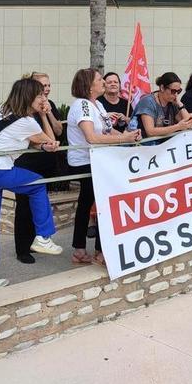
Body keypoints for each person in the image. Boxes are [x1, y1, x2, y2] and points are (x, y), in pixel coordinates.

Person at [0, 78, 64, 290]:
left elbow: (31, 143)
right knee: (38, 184)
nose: (44, 98)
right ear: (30, 96)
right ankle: (43, 236)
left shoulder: (2, 111)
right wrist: (43, 114)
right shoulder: (27, 121)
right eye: (40, 95)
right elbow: (52, 142)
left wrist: (42, 145)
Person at [67, 68, 140, 265]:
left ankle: (81, 249)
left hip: (98, 161)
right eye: (100, 79)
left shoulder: (97, 104)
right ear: (89, 85)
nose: (104, 82)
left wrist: (128, 136)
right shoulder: (82, 105)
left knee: (87, 204)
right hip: (85, 162)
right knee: (102, 205)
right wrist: (123, 138)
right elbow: (91, 137)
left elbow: (109, 130)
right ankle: (99, 250)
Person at [11, 72, 64, 264]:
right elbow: (37, 138)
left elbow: (58, 131)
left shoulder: (50, 107)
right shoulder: (24, 111)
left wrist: (47, 112)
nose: (46, 90)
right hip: (26, 163)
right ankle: (22, 248)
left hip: (45, 161)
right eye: (42, 87)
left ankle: (39, 240)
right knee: (24, 206)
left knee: (39, 204)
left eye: (48, 86)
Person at [133, 72, 192, 139]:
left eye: (179, 91)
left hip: (163, 145)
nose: (176, 95)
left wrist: (180, 104)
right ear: (162, 88)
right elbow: (150, 132)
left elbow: (189, 123)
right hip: (144, 144)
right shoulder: (148, 101)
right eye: (173, 91)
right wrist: (177, 127)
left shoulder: (173, 102)